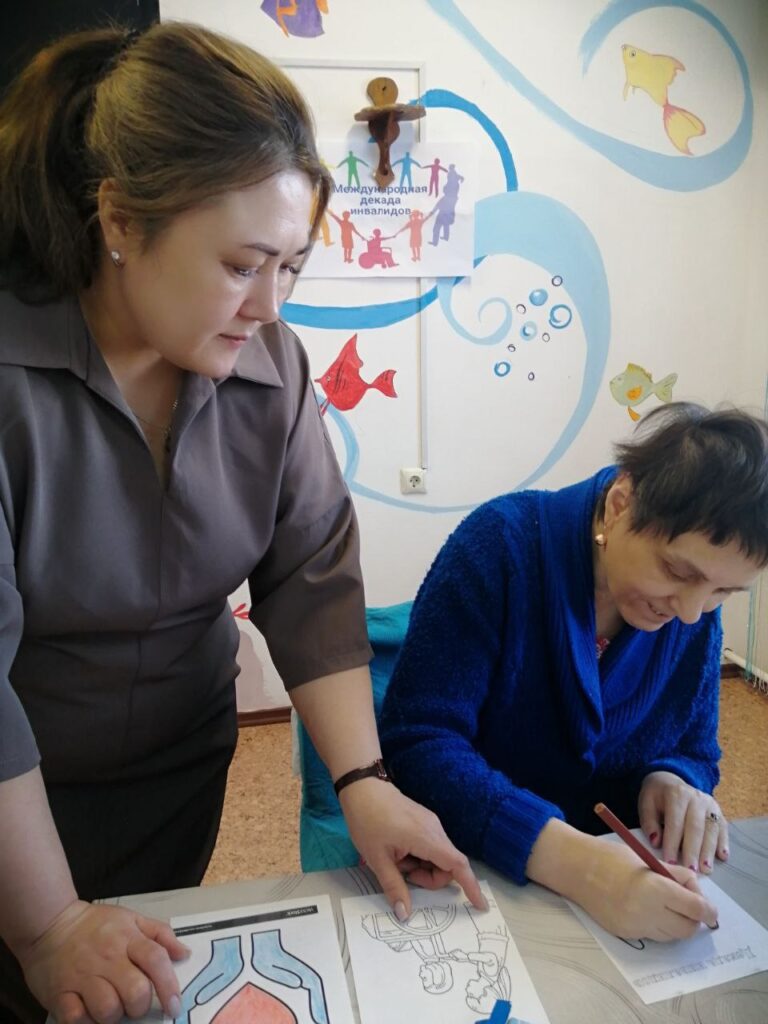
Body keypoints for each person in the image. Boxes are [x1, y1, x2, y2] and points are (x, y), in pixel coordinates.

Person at [0, 23, 484, 1024]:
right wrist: (47, 926)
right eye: (241, 264)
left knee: (137, 985)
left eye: (291, 266)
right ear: (121, 220)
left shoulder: (272, 365)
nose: (269, 305)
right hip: (17, 789)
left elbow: (312, 580)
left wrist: (363, 780)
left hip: (177, 769)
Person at [380, 403, 768, 943]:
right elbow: (417, 742)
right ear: (620, 505)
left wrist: (674, 779)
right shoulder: (499, 547)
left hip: (622, 880)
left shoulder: (694, 608)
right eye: (676, 571)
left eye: (724, 591)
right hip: (475, 872)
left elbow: (696, 747)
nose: (690, 612)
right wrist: (575, 864)